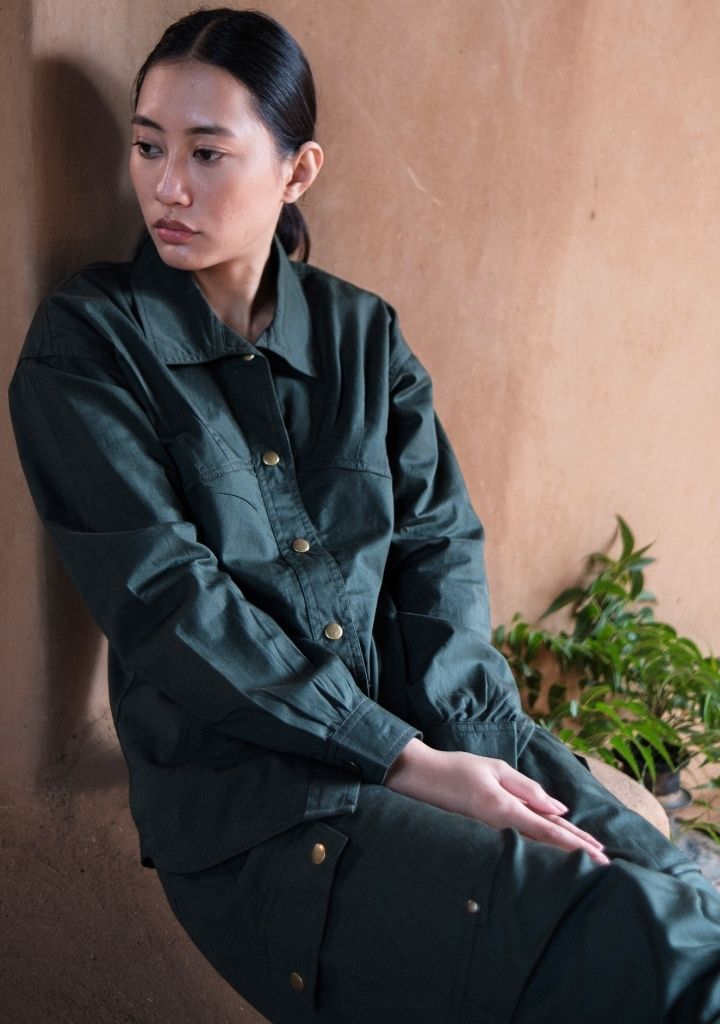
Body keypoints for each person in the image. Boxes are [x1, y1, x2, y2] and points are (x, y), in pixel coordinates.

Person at [9, 8, 720, 1023]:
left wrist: (482, 749)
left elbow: (439, 553)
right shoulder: (88, 347)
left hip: (433, 741)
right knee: (657, 955)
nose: (166, 185)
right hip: (260, 807)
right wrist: (402, 759)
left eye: (207, 153)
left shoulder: (363, 336)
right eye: (147, 146)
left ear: (297, 171)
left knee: (690, 895)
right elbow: (169, 605)